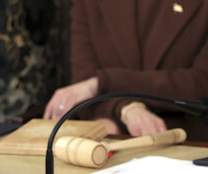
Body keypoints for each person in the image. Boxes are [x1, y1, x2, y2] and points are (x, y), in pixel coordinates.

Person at [43, 0, 208, 140]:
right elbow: (81, 88)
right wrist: (125, 109)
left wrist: (105, 82)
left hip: (189, 137)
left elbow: (201, 83)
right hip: (116, 130)